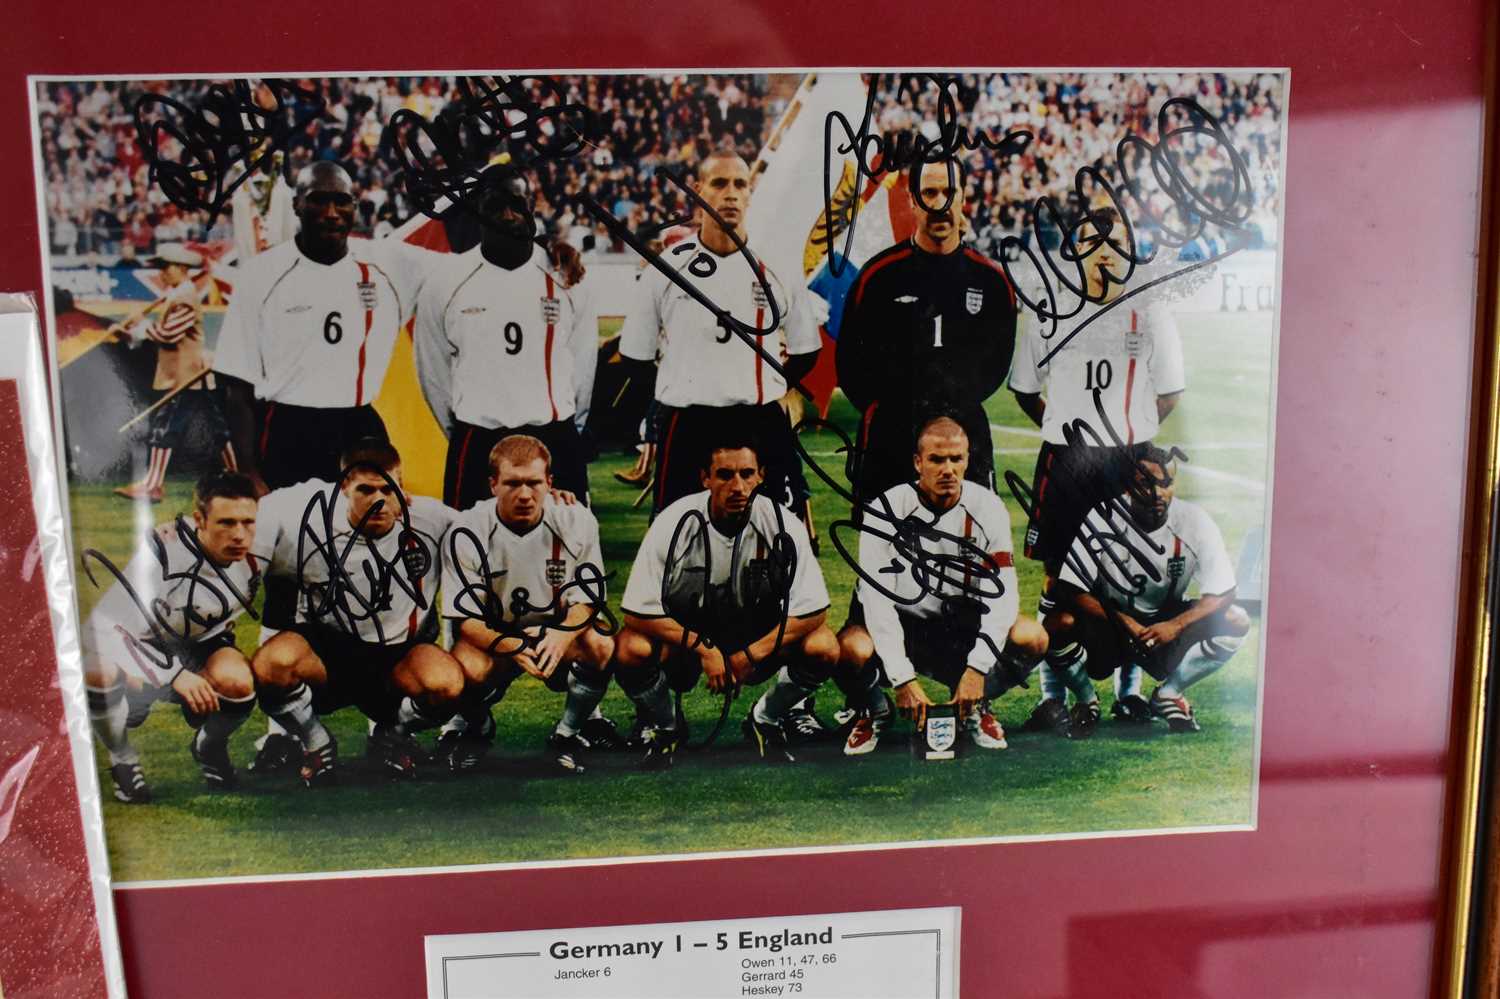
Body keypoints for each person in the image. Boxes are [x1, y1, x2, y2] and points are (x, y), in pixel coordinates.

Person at [1008, 206, 1187, 737]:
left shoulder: (1150, 310)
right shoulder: (1050, 307)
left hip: (1130, 459)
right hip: (1067, 462)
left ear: (1129, 249)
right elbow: (1024, 389)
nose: (1104, 251)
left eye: (1115, 241)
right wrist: (1067, 431)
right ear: (1076, 247)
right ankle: (1056, 696)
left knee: (1130, 576)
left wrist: (1127, 435)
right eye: (1093, 240)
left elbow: (1170, 390)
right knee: (1057, 577)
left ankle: (1127, 693)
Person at [614, 434, 839, 769]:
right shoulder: (673, 521)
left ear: (761, 475)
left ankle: (765, 718)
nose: (738, 486)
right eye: (724, 475)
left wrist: (751, 655)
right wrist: (704, 649)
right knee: (631, 648)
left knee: (824, 646)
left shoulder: (782, 523)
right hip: (687, 641)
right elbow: (636, 611)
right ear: (705, 478)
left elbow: (813, 610)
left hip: (754, 634)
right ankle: (666, 726)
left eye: (747, 474)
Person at [617, 151, 823, 516]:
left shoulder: (777, 266)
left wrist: (769, 385)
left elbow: (806, 350)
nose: (730, 194)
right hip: (687, 422)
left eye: (740, 184)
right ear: (697, 191)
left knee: (774, 540)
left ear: (750, 193)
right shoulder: (665, 268)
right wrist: (680, 387)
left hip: (760, 420)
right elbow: (635, 356)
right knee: (677, 538)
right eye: (719, 183)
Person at [249, 439, 466, 785]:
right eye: (366, 489)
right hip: (328, 654)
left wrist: (554, 506)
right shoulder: (307, 519)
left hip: (397, 658)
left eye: (388, 489)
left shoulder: (433, 520)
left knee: (448, 684)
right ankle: (316, 743)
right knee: (269, 666)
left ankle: (391, 736)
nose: (379, 500)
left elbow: (492, 528)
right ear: (343, 489)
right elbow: (241, 522)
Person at [213, 161, 434, 495]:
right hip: (288, 428)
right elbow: (235, 384)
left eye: (341, 201)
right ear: (297, 205)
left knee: (367, 536)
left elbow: (458, 269)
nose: (332, 212)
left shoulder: (385, 262)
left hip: (359, 427)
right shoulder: (261, 273)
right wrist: (249, 470)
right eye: (318, 200)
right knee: (292, 539)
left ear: (355, 207)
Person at [836, 417, 1048, 755]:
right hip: (899, 620)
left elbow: (1003, 598)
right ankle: (872, 709)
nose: (947, 469)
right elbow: (877, 604)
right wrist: (902, 678)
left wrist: (977, 669)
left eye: (955, 459)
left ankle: (974, 706)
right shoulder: (885, 510)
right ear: (918, 463)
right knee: (849, 649)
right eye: (936, 459)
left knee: (1032, 636)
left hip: (956, 624)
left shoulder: (989, 508)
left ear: (967, 460)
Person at [834, 157, 1019, 507]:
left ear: (964, 197)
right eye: (929, 193)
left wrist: (952, 408)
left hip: (963, 434)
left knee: (967, 548)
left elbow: (996, 366)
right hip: (890, 435)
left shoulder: (992, 282)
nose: (939, 205)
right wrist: (895, 408)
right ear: (912, 201)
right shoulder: (878, 277)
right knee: (884, 552)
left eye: (949, 192)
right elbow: (851, 366)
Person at [414, 166, 596, 508]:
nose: (508, 215)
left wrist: (572, 428)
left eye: (517, 203)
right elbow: (433, 372)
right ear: (476, 211)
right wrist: (464, 430)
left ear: (532, 205)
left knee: (565, 551)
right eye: (496, 205)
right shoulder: (445, 282)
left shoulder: (567, 276)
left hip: (555, 435)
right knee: (470, 552)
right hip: (478, 441)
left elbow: (583, 366)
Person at [438, 434, 618, 774]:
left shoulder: (576, 519)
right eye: (512, 483)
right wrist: (514, 643)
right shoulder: (467, 529)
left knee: (600, 645)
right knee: (466, 668)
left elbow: (588, 599)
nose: (524, 494)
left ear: (550, 483)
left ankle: (567, 735)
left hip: (556, 629)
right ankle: (477, 730)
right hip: (495, 633)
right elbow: (465, 620)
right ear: (493, 484)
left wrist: (562, 634)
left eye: (534, 483)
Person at [82, 472, 261, 802]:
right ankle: (123, 759)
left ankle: (209, 747)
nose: (239, 535)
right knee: (97, 669)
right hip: (145, 641)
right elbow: (100, 626)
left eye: (247, 522)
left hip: (204, 643)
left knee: (238, 681)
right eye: (225, 522)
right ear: (199, 520)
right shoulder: (163, 551)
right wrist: (174, 675)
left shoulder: (261, 544)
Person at [1043, 447, 1249, 734]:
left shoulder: (1195, 520)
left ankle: (1170, 694)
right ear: (1128, 486)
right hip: (1110, 624)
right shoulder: (1103, 517)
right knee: (1056, 624)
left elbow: (1224, 591)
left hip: (1163, 625)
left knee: (1235, 619)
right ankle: (1086, 699)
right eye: (1146, 484)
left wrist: (1175, 626)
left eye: (1166, 484)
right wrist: (1125, 622)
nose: (1158, 493)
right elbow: (1070, 588)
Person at [111, 243, 236, 502]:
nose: (161, 273)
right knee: (217, 429)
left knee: (164, 428)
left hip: (186, 376)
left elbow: (168, 335)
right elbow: (163, 333)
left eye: (165, 267)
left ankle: (153, 486)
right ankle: (236, 477)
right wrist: (132, 330)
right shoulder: (178, 294)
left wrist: (141, 324)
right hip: (190, 374)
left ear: (181, 269)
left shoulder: (185, 296)